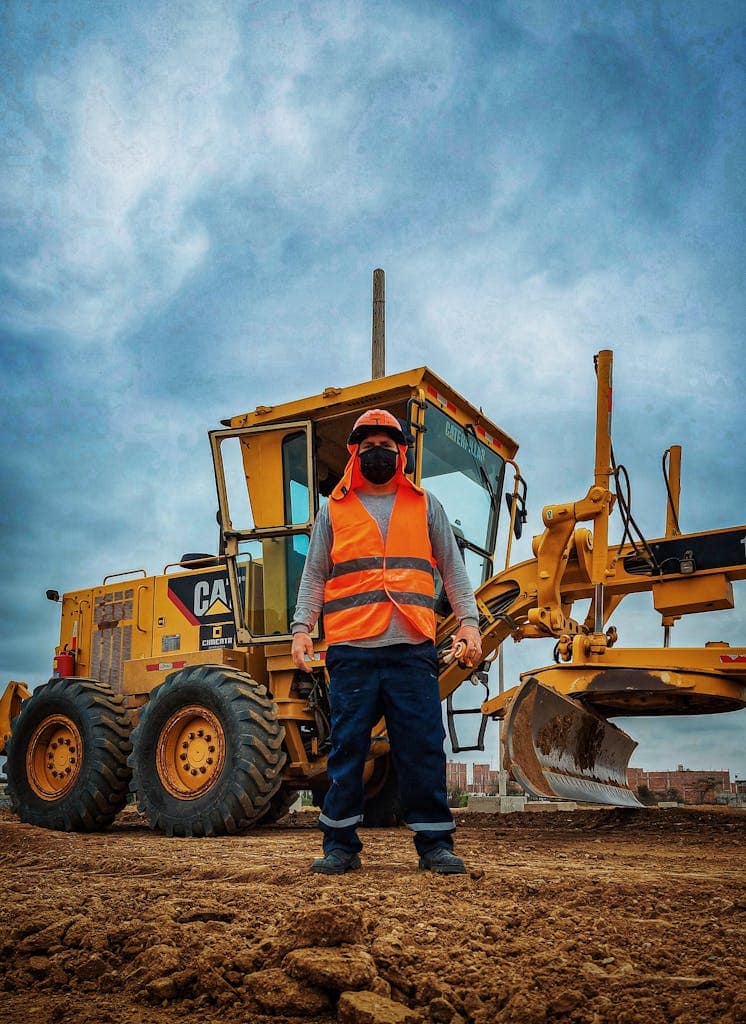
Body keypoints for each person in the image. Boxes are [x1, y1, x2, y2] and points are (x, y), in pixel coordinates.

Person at [290, 408, 482, 875]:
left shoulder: (424, 504)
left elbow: (453, 570)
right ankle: (339, 845)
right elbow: (315, 574)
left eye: (388, 444)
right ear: (356, 451)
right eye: (369, 444)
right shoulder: (333, 508)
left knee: (421, 746)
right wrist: (301, 629)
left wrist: (469, 623)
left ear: (402, 453)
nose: (379, 451)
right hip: (352, 651)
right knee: (348, 748)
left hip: (411, 648)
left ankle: (435, 843)